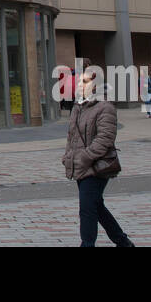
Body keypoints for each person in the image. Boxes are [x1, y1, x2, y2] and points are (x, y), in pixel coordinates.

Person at [62, 67, 134, 247]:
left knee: (87, 209)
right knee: (96, 206)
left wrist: (85, 157)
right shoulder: (78, 106)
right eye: (80, 81)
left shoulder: (105, 107)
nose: (80, 84)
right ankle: (123, 242)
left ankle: (87, 244)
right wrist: (68, 156)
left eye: (85, 81)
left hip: (96, 166)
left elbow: (105, 138)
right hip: (80, 164)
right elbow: (72, 136)